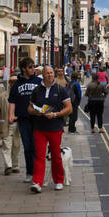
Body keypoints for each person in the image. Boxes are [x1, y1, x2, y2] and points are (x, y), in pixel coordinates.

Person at [29, 64, 73, 192]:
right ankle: (37, 182)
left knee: (56, 156)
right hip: (40, 128)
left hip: (55, 127)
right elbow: (30, 108)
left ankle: (59, 180)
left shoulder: (60, 89)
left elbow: (69, 108)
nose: (50, 75)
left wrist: (56, 114)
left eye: (51, 73)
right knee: (39, 156)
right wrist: (36, 112)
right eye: (47, 73)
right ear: (42, 75)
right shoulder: (37, 90)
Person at [9, 57, 41, 182]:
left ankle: (37, 173)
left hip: (37, 118)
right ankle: (29, 172)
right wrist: (10, 115)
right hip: (23, 119)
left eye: (33, 66)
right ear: (23, 69)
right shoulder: (17, 83)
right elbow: (12, 100)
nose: (33, 69)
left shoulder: (39, 81)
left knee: (37, 147)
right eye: (30, 67)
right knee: (27, 147)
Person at [0, 81, 20, 176]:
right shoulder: (2, 96)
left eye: (15, 82)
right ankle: (8, 166)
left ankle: (15, 165)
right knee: (7, 145)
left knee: (16, 146)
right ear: (9, 84)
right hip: (5, 124)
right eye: (11, 82)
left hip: (18, 124)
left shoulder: (21, 95)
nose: (13, 84)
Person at [65, 68, 83, 133]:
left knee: (71, 116)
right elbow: (79, 94)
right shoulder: (76, 84)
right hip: (74, 102)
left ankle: (71, 128)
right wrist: (78, 103)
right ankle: (72, 129)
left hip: (68, 101)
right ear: (77, 77)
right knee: (74, 117)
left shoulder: (69, 83)